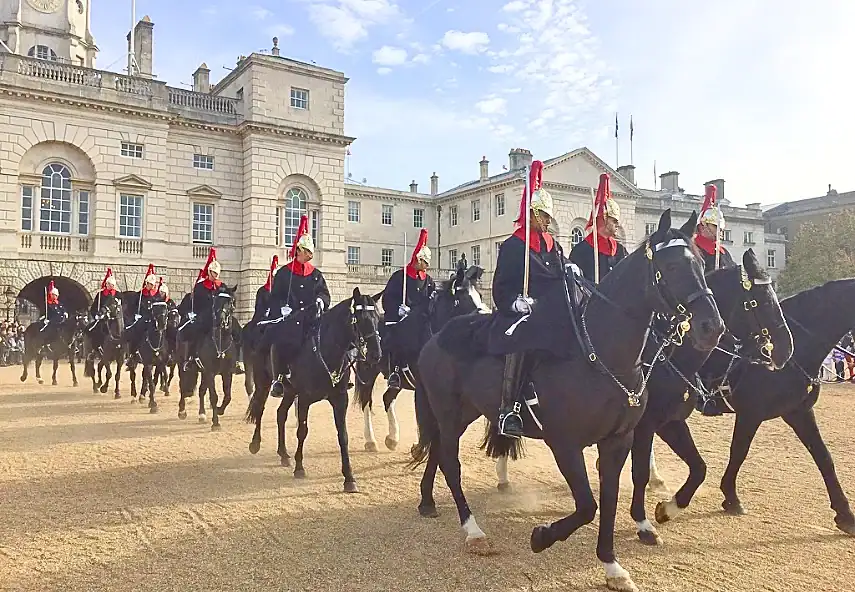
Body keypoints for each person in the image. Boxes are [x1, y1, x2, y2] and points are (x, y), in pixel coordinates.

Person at [489, 160, 574, 438]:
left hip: (552, 311)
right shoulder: (514, 246)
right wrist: (515, 302)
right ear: (533, 213)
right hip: (519, 313)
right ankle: (509, 408)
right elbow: (500, 286)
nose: (548, 221)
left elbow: (561, 276)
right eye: (544, 216)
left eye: (549, 217)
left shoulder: (554, 245)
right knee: (522, 341)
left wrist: (571, 271)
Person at [265, 216, 330, 396]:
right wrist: (282, 309)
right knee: (280, 342)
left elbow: (324, 293)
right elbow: (274, 297)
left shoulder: (316, 274)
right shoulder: (284, 273)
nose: (309, 256)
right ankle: (278, 379)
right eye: (307, 252)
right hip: (291, 318)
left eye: (310, 253)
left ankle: (333, 373)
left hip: (312, 317)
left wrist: (320, 301)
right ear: (299, 250)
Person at [381, 228, 435, 389]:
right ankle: (395, 372)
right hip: (400, 319)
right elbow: (388, 298)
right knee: (397, 340)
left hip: (420, 320)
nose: (426, 266)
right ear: (418, 260)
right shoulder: (400, 277)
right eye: (424, 262)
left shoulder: (429, 280)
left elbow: (431, 301)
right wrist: (398, 309)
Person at [185, 248, 244, 374]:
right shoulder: (200, 286)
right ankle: (191, 357)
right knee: (195, 331)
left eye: (217, 273)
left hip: (220, 314)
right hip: (205, 314)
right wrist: (193, 312)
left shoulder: (221, 286)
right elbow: (195, 302)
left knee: (237, 330)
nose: (215, 276)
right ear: (209, 272)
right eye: (213, 273)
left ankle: (237, 360)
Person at [568, 173, 628, 283]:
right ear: (604, 219)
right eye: (614, 221)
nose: (617, 225)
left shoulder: (620, 250)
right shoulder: (580, 251)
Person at [694, 184, 736, 273]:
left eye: (721, 227)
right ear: (703, 226)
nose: (720, 230)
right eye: (715, 226)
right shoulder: (693, 250)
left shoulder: (724, 252)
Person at [87, 267, 121, 361]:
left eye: (112, 285)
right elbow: (94, 308)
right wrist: (96, 315)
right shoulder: (100, 294)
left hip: (115, 318)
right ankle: (95, 349)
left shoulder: (118, 295)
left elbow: (123, 306)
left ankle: (130, 352)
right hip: (103, 318)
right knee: (94, 330)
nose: (110, 286)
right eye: (109, 284)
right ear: (106, 284)